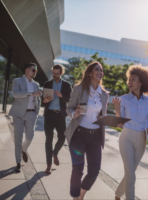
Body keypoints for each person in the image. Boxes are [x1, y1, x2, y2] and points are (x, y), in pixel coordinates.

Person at [64, 61, 109, 200]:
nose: (100, 72)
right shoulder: (79, 89)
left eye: (101, 70)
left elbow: (103, 115)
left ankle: (80, 196)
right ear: (90, 73)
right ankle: (75, 198)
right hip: (79, 134)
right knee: (77, 170)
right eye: (97, 69)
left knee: (94, 171)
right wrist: (74, 114)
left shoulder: (104, 94)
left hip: (95, 136)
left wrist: (106, 119)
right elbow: (69, 108)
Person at [112, 65, 148, 200]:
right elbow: (120, 123)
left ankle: (118, 194)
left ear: (141, 82)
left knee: (131, 172)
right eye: (128, 79)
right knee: (131, 175)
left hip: (141, 139)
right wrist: (117, 108)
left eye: (133, 79)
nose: (129, 82)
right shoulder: (123, 99)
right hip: (126, 138)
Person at [8, 63, 42, 173]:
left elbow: (38, 98)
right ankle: (18, 162)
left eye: (36, 71)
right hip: (18, 113)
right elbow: (15, 94)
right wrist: (32, 93)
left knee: (30, 137)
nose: (35, 72)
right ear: (27, 70)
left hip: (31, 113)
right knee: (18, 138)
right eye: (33, 70)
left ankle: (24, 149)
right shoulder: (17, 81)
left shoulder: (36, 84)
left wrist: (37, 110)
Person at [42, 64, 72, 174]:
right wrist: (44, 101)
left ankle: (55, 153)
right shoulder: (47, 84)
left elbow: (70, 99)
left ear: (61, 73)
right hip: (49, 114)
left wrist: (61, 96)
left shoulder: (66, 85)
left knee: (62, 137)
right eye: (53, 73)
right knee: (48, 139)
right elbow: (42, 100)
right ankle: (48, 165)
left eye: (57, 73)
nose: (54, 75)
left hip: (60, 115)